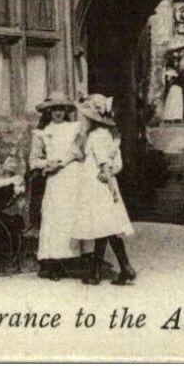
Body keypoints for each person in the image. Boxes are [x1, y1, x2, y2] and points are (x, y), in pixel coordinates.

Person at [70, 94, 136, 286]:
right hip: (106, 184)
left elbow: (104, 162)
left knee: (104, 228)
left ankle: (118, 269)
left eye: (86, 116)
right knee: (106, 228)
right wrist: (111, 177)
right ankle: (113, 270)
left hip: (97, 186)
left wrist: (107, 178)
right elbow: (118, 163)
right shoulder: (112, 134)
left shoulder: (97, 136)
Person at [32, 94, 85, 280]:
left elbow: (80, 152)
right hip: (55, 179)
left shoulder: (75, 128)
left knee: (71, 217)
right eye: (54, 109)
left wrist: (64, 161)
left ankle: (72, 261)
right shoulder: (42, 132)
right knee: (54, 218)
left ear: (66, 111)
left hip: (73, 177)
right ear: (48, 111)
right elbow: (34, 161)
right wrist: (48, 163)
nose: (57, 113)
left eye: (61, 109)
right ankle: (53, 263)